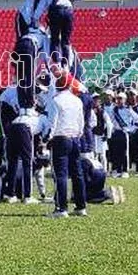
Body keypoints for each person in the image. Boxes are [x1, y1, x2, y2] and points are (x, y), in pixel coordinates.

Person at [47, 73, 86, 218]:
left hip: (61, 138)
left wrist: (47, 138)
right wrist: (78, 134)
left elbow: (53, 122)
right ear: (70, 85)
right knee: (77, 173)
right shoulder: (77, 101)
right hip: (75, 138)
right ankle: (81, 206)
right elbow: (81, 122)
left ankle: (61, 208)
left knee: (61, 174)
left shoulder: (56, 100)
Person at [108, 92, 138, 178]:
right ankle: (117, 169)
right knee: (116, 152)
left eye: (120, 99)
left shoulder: (128, 109)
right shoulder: (113, 110)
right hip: (116, 132)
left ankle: (125, 170)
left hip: (124, 132)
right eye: (118, 99)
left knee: (125, 152)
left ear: (124, 100)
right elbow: (111, 121)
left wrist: (131, 129)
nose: (119, 101)